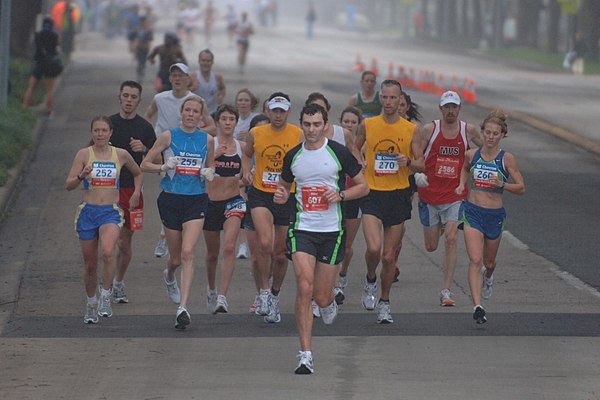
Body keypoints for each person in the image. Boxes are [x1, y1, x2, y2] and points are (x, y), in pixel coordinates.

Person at [274, 103, 369, 374]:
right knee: (304, 286)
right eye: (307, 124)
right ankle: (305, 354)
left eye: (317, 125)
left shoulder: (338, 153)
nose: (312, 130)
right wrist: (281, 196)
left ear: (325, 125)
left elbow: (364, 186)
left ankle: (326, 303)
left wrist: (340, 195)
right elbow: (283, 187)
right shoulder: (293, 156)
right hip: (302, 227)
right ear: (301, 124)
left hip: (332, 231)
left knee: (321, 295)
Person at [141, 96, 216, 329]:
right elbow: (145, 164)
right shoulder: (168, 136)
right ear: (181, 112)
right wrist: (163, 167)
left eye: (196, 111)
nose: (191, 114)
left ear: (201, 116)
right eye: (188, 110)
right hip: (171, 199)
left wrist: (209, 172)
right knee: (175, 259)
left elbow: (211, 165)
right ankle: (169, 275)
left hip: (196, 200)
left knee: (187, 252)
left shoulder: (208, 139)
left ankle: (182, 307)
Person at [355, 80, 424, 324]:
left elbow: (421, 163)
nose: (388, 102)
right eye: (384, 97)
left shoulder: (411, 129)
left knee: (388, 257)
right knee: (373, 249)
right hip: (373, 192)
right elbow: (355, 147)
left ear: (400, 100)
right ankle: (370, 279)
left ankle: (384, 302)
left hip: (398, 195)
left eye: (393, 98)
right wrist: (359, 165)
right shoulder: (369, 124)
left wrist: (408, 161)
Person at [65, 116, 143, 324]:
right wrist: (82, 175)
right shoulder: (84, 154)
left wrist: (136, 192)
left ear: (110, 133)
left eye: (103, 130)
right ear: (92, 133)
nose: (100, 134)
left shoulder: (121, 154)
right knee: (90, 264)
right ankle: (91, 303)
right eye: (96, 131)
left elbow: (138, 173)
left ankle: (106, 296)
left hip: (111, 212)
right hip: (88, 212)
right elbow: (69, 184)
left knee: (108, 251)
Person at [456, 110, 525, 324]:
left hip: (494, 214)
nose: (491, 136)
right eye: (488, 132)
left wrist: (502, 184)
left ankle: (489, 276)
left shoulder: (507, 159)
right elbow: (465, 168)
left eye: (496, 133)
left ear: (502, 135)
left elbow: (521, 187)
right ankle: (478, 306)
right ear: (483, 132)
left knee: (489, 262)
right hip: (472, 211)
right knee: (475, 260)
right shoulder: (472, 154)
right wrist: (461, 184)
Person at [416, 90, 482, 307]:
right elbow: (415, 151)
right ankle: (443, 225)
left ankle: (446, 291)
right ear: (440, 109)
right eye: (447, 107)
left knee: (452, 238)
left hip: (455, 195)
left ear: (459, 109)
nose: (451, 111)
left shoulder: (468, 130)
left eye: (454, 107)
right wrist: (418, 172)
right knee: (431, 246)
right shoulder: (430, 130)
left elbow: (485, 151)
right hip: (429, 195)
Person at [241, 92, 303, 323]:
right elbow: (247, 155)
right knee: (264, 243)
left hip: (287, 195)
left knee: (280, 254)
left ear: (288, 111)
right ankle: (264, 292)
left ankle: (275, 294)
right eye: (274, 110)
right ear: (267, 111)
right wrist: (247, 171)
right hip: (261, 194)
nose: (278, 115)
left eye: (282, 111)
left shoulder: (298, 134)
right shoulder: (256, 133)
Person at [144, 63, 216, 258]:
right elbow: (147, 117)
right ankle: (164, 234)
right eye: (174, 75)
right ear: (170, 78)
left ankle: (167, 235)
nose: (177, 79)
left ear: (188, 79)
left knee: (182, 187)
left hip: (187, 147)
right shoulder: (160, 98)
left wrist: (192, 134)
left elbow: (212, 127)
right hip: (166, 147)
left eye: (181, 76)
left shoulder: (197, 100)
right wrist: (151, 138)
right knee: (171, 188)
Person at [304, 93, 362, 309]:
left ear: (326, 113)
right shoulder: (305, 136)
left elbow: (355, 155)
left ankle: (335, 282)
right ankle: (330, 288)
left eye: (320, 110)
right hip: (313, 205)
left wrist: (359, 166)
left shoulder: (342, 135)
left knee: (344, 246)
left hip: (341, 196)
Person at [108, 81, 156, 304]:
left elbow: (158, 160)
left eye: (133, 97)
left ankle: (118, 282)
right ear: (119, 97)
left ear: (139, 100)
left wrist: (144, 150)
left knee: (125, 242)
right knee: (110, 241)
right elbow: (91, 152)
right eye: (125, 95)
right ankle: (107, 284)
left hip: (133, 190)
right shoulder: (108, 124)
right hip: (107, 189)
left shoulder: (145, 128)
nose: (128, 100)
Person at [203, 104, 246, 313]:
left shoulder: (242, 146)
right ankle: (211, 289)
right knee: (212, 253)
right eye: (224, 119)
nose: (228, 123)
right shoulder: (210, 144)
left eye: (232, 119)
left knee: (229, 247)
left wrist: (248, 178)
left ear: (236, 122)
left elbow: (246, 176)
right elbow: (199, 172)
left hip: (233, 201)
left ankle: (222, 297)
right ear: (218, 121)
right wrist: (214, 157)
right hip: (211, 202)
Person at [334, 106, 364, 298]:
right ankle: (335, 284)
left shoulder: (363, 145)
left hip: (355, 197)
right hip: (335, 197)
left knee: (346, 246)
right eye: (346, 121)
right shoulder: (334, 142)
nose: (350, 125)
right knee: (335, 242)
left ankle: (342, 273)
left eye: (353, 122)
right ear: (341, 122)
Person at [23, 16, 63, 120]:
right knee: (49, 90)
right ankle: (50, 112)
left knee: (31, 87)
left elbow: (35, 46)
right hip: (50, 64)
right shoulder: (55, 35)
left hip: (39, 63)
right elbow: (58, 43)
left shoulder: (38, 34)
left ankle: (24, 108)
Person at [190, 49, 226, 117]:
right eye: (203, 60)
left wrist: (221, 96)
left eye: (208, 61)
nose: (205, 63)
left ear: (212, 62)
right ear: (199, 61)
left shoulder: (217, 77)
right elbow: (183, 93)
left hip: (213, 113)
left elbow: (222, 88)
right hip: (197, 113)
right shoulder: (193, 76)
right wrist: (192, 88)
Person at [133, 16, 154, 82]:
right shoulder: (137, 29)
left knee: (143, 62)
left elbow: (150, 40)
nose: (143, 23)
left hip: (145, 49)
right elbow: (133, 38)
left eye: (144, 22)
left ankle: (141, 73)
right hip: (139, 48)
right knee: (140, 62)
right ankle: (140, 75)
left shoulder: (148, 30)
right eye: (142, 22)